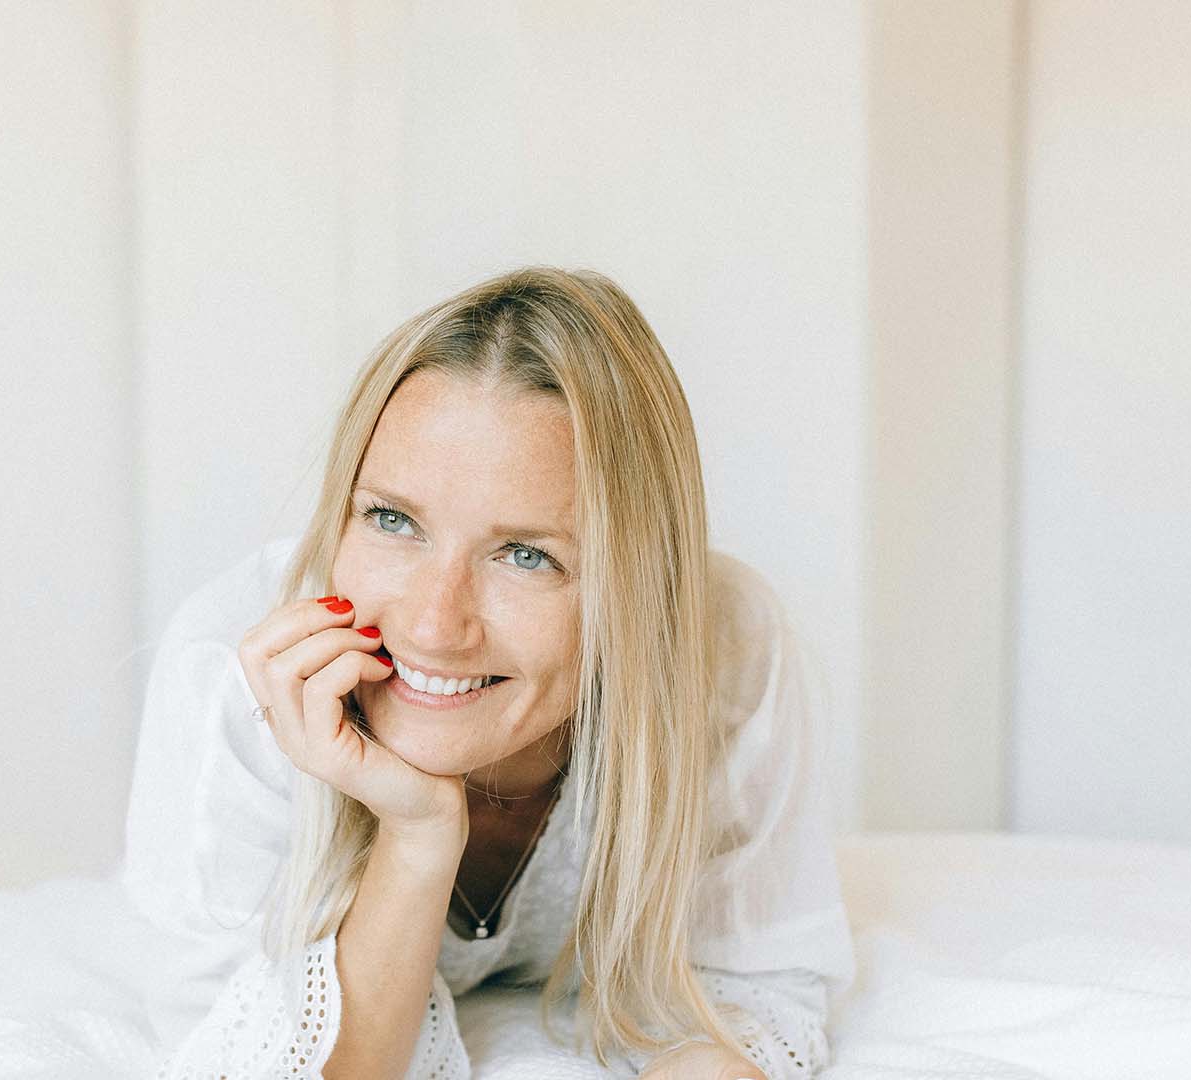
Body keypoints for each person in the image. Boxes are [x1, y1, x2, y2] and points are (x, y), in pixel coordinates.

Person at [122, 266, 854, 1078]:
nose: (434, 626)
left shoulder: (723, 650)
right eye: (393, 519)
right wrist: (417, 830)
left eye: (526, 555)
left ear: (637, 587)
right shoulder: (236, 675)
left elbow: (751, 995)